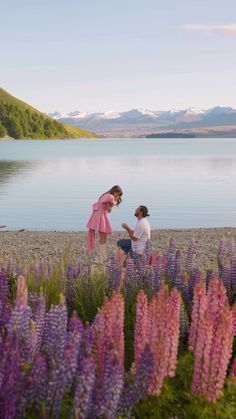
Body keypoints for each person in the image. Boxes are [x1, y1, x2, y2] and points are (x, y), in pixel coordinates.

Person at [87, 185, 123, 261]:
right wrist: (114, 201)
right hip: (101, 217)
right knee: (103, 238)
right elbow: (108, 209)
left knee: (102, 238)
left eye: (119, 195)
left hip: (97, 216)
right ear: (115, 192)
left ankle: (100, 256)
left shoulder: (105, 195)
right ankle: (102, 257)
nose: (118, 196)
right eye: (118, 194)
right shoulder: (110, 197)